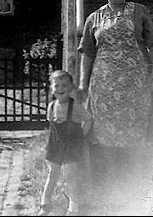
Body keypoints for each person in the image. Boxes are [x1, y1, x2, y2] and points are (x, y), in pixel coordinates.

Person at [77, 0, 153, 200]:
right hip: (103, 84)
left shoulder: (139, 12)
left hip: (134, 83)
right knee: (106, 134)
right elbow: (87, 54)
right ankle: (113, 182)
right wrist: (84, 83)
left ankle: (135, 181)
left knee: (135, 131)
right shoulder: (94, 18)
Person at [38, 70, 92, 216]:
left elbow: (88, 119)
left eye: (64, 86)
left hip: (71, 146)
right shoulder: (51, 107)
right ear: (51, 88)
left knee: (70, 176)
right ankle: (45, 204)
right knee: (52, 173)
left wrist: (82, 136)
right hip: (56, 144)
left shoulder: (75, 106)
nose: (60, 89)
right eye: (57, 86)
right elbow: (52, 127)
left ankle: (74, 207)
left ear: (70, 88)